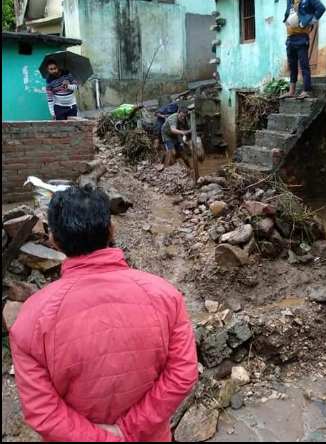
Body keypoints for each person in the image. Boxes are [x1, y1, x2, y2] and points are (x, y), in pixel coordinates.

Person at [9, 185, 198, 441]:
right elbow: (182, 374)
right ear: (111, 229)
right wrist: (129, 430)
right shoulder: (166, 295)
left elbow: (43, 411)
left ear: (53, 240)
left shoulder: (31, 318)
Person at [281, 0, 326, 100]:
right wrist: (287, 21)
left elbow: (321, 8)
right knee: (292, 66)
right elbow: (288, 14)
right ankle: (291, 91)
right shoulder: (290, 0)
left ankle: (307, 90)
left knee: (304, 65)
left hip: (301, 38)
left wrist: (311, 21)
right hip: (290, 38)